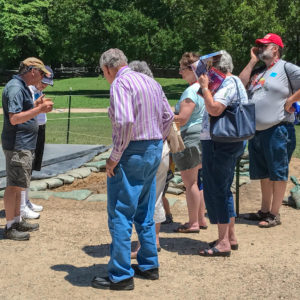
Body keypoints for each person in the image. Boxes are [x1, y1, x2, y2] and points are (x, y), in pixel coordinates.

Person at [91, 49, 174, 291]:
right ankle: (149, 265)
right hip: (154, 149)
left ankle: (120, 274)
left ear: (108, 68)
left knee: (120, 213)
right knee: (145, 209)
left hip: (132, 152)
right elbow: (169, 116)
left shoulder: (120, 83)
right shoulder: (151, 82)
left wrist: (114, 157)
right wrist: (158, 140)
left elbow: (125, 122)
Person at [239, 33, 300, 227]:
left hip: (278, 129)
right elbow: (241, 84)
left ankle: (274, 214)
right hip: (257, 131)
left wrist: (292, 99)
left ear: (275, 48)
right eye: (258, 45)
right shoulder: (259, 71)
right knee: (263, 173)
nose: (259, 48)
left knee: (277, 172)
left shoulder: (286, 67)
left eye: (264, 45)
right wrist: (251, 61)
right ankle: (264, 211)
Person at [198, 51, 248, 256]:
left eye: (209, 66)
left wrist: (203, 88)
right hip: (224, 142)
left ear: (217, 67)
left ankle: (223, 242)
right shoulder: (233, 82)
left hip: (220, 143)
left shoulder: (228, 82)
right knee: (223, 187)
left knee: (217, 189)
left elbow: (215, 109)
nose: (206, 70)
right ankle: (229, 236)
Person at [1, 57, 54, 241]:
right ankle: (10, 226)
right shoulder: (16, 87)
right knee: (13, 185)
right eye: (40, 73)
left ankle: (16, 220)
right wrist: (38, 110)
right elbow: (15, 118)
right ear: (31, 70)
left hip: (23, 144)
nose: (41, 78)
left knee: (18, 185)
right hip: (17, 144)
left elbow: (21, 111)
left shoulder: (20, 86)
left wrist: (36, 106)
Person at [127, 60, 170, 257]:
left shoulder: (135, 92)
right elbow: (168, 116)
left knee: (143, 199)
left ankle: (146, 244)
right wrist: (161, 138)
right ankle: (153, 242)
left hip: (143, 150)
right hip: (160, 148)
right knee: (156, 195)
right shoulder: (156, 89)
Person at [172, 52, 207, 233]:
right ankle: (200, 219)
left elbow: (183, 118)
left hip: (190, 138)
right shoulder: (203, 89)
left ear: (192, 69)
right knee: (197, 182)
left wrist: (166, 117)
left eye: (183, 69)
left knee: (190, 183)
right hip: (201, 136)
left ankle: (193, 223)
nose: (180, 72)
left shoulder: (190, 91)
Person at [21, 66, 54, 219]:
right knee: (25, 168)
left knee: (32, 167)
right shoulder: (28, 89)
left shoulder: (38, 90)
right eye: (43, 81)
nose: (44, 85)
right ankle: (22, 205)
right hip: (30, 129)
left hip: (40, 127)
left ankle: (26, 201)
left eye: (47, 83)